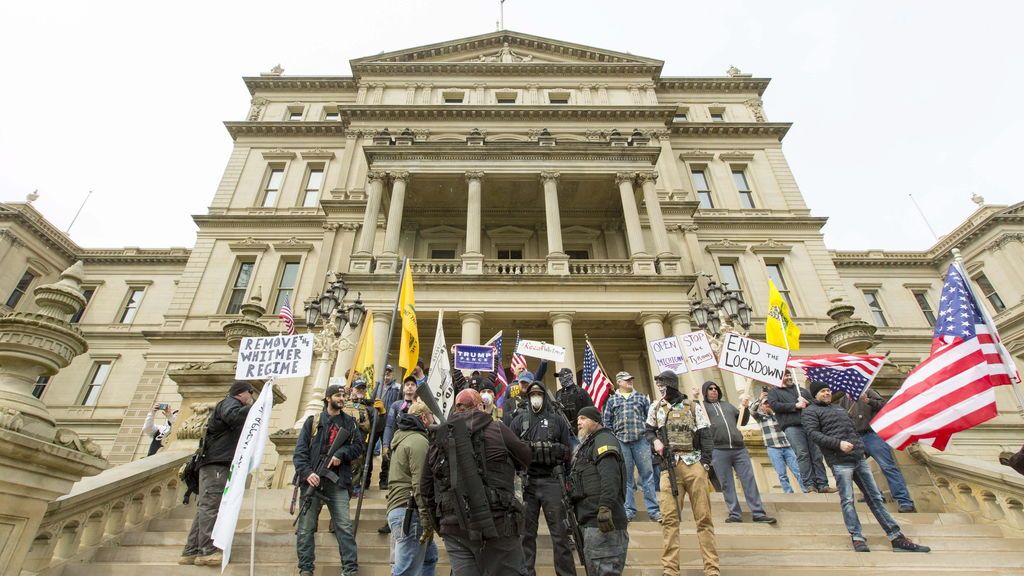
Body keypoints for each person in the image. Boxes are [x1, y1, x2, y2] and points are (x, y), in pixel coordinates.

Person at [802, 380, 930, 553]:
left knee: (875, 498)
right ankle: (857, 537)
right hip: (839, 461)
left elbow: (853, 432)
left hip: (858, 459)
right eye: (823, 391)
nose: (827, 393)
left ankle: (896, 537)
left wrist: (860, 448)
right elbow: (814, 434)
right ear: (815, 394)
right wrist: (838, 444)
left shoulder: (839, 408)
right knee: (847, 500)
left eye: (828, 390)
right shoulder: (810, 411)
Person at [421, 388, 532, 575]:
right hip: (499, 525)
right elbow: (526, 457)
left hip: (454, 528)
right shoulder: (498, 429)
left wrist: (441, 523)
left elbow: (425, 488)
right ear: (480, 406)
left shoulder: (439, 439)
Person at [646, 370, 719, 576]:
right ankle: (670, 569)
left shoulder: (693, 406)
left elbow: (705, 435)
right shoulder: (656, 407)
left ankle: (712, 568)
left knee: (703, 518)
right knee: (669, 520)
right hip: (668, 468)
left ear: (671, 385)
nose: (660, 388)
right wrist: (655, 441)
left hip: (693, 463)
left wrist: (704, 464)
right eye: (658, 385)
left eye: (663, 384)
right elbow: (648, 430)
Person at [179, 380, 254, 566]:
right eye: (250, 394)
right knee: (211, 507)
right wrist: (256, 407)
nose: (251, 398)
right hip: (217, 463)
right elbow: (233, 417)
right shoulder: (230, 403)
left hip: (216, 462)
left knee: (206, 507)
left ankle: (191, 551)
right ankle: (206, 551)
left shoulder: (230, 403)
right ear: (241, 393)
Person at [294, 384, 365, 576]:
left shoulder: (349, 423)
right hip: (312, 482)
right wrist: (308, 473)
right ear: (327, 398)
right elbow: (299, 454)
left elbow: (359, 447)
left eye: (343, 395)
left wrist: (341, 454)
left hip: (337, 482)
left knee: (344, 527)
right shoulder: (313, 421)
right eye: (337, 395)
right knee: (305, 529)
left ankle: (350, 569)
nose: (342, 398)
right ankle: (306, 569)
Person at [511, 381, 577, 576]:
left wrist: (554, 452)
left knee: (560, 535)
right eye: (532, 394)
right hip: (527, 482)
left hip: (552, 481)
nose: (536, 397)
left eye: (539, 393)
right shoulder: (518, 421)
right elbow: (511, 452)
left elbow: (569, 452)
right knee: (526, 535)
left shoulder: (557, 420)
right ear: (528, 397)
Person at [702, 381, 776, 524]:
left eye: (715, 388)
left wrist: (745, 408)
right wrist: (695, 398)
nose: (713, 391)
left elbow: (742, 421)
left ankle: (758, 512)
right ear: (705, 392)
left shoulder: (727, 405)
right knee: (726, 483)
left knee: (749, 480)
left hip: (739, 449)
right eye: (710, 389)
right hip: (718, 450)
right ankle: (735, 513)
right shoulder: (702, 407)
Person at [570, 406, 629, 576]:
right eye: (578, 420)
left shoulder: (604, 440)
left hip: (604, 524)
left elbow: (610, 476)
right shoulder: (588, 445)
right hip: (591, 523)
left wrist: (605, 507)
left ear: (595, 421)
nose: (579, 423)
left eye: (583, 418)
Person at [837, 388, 917, 512]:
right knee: (860, 469)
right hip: (856, 438)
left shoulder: (868, 391)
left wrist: (867, 400)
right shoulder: (843, 400)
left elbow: (885, 406)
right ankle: (876, 495)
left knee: (888, 467)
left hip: (872, 435)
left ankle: (904, 501)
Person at [386, 400, 439, 576]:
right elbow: (420, 483)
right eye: (432, 415)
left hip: (401, 510)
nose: (434, 419)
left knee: (429, 559)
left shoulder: (402, 437)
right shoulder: (418, 441)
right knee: (406, 570)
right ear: (424, 417)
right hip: (411, 512)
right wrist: (425, 517)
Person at [602, 371, 661, 523]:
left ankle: (653, 510)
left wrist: (651, 438)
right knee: (626, 477)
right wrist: (613, 438)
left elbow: (650, 420)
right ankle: (628, 510)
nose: (630, 382)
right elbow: (607, 421)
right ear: (619, 382)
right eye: (627, 380)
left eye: (631, 379)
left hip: (641, 440)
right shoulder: (612, 400)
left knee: (647, 475)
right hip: (621, 441)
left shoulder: (641, 397)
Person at [767, 372, 834, 493]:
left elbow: (815, 403)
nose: (788, 377)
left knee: (817, 455)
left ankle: (823, 484)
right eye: (785, 376)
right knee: (802, 454)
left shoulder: (802, 390)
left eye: (789, 375)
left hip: (810, 426)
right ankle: (809, 485)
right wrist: (795, 405)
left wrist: (807, 402)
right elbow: (775, 405)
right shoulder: (774, 392)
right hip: (792, 427)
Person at [380, 374, 420, 535]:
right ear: (403, 388)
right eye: (407, 384)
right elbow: (389, 425)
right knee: (394, 484)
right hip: (398, 447)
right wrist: (385, 445)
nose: (409, 387)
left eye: (412, 384)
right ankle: (390, 517)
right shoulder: (396, 405)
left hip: (414, 448)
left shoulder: (420, 405)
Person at [751, 388, 807, 494]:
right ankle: (788, 493)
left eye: (768, 403)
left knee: (798, 470)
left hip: (787, 445)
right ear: (762, 407)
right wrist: (759, 399)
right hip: (773, 447)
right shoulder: (760, 418)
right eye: (765, 404)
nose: (767, 405)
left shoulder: (779, 416)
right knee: (781, 473)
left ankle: (805, 490)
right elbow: (752, 410)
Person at [554, 367, 594, 440]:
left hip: (579, 432)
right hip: (562, 432)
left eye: (562, 376)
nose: (560, 378)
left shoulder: (581, 393)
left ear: (569, 376)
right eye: (559, 377)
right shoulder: (558, 394)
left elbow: (591, 412)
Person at [378, 364, 401, 485]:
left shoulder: (397, 388)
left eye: (389, 371)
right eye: (385, 371)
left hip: (389, 425)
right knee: (369, 451)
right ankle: (365, 481)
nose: (387, 373)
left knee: (387, 452)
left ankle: (384, 480)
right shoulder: (376, 386)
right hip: (376, 424)